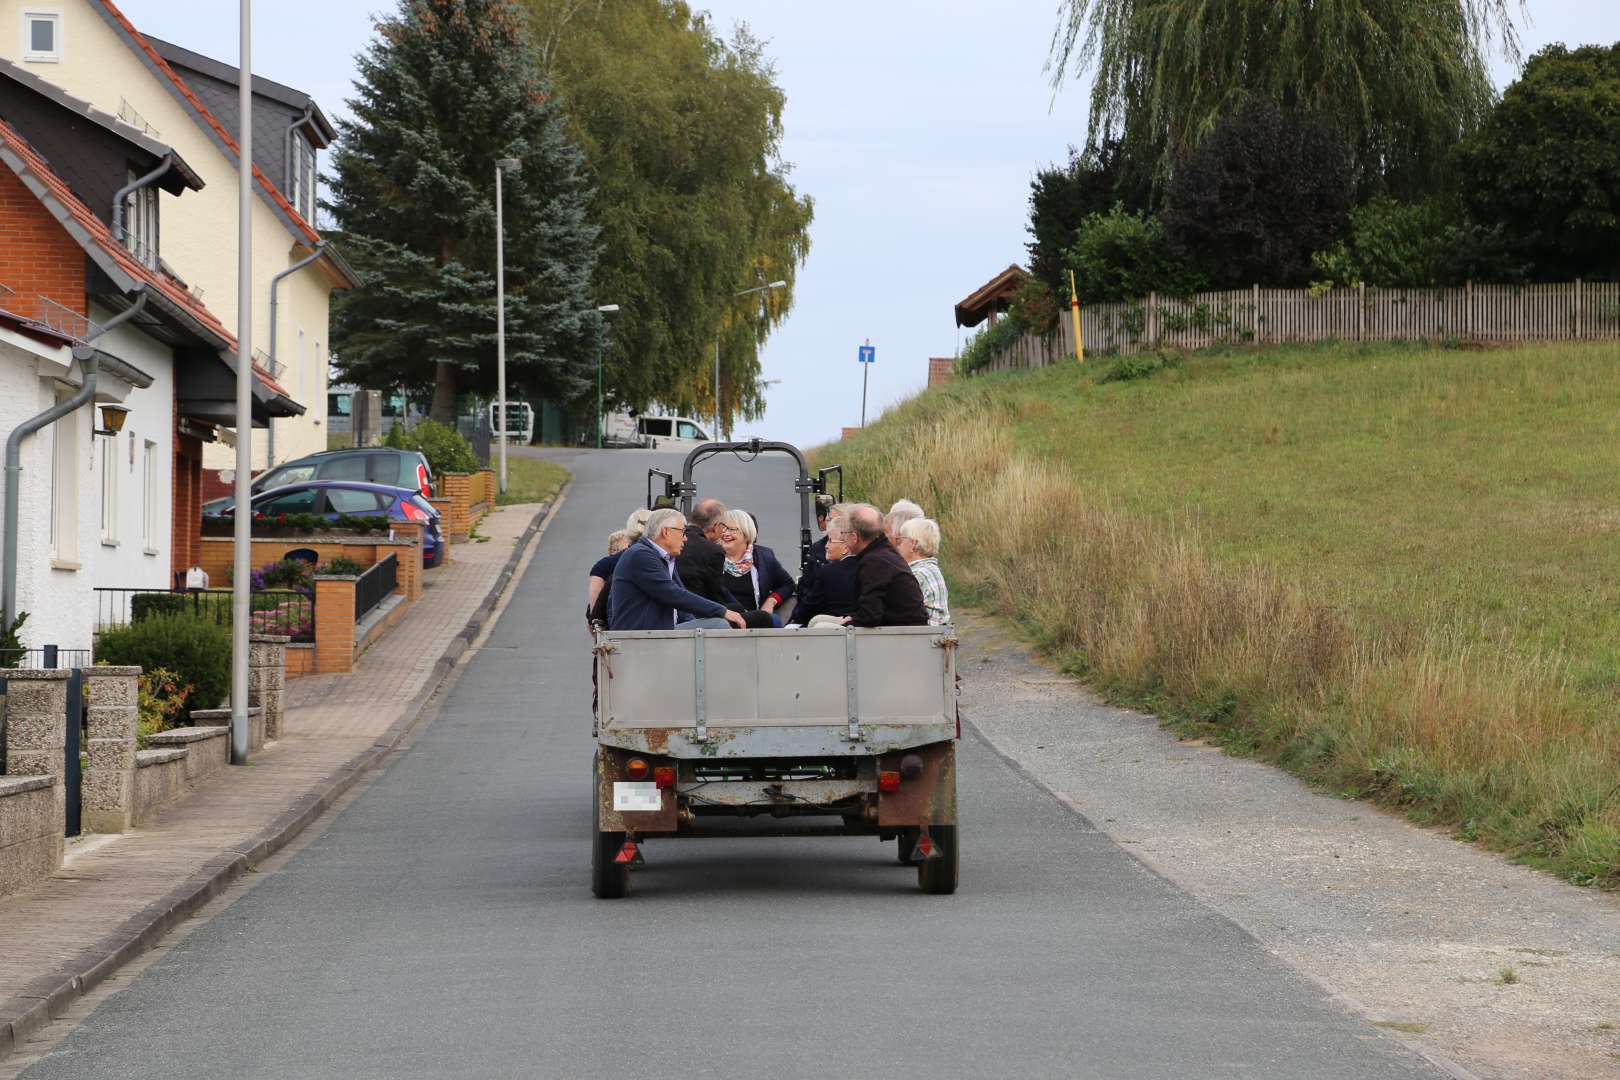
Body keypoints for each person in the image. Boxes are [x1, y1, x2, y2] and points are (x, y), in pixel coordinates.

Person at [609, 508, 746, 631]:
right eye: (683, 532)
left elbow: (679, 598)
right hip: (642, 636)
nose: (685, 538)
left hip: (659, 630)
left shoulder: (663, 557)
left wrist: (694, 623)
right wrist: (722, 611)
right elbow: (672, 594)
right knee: (719, 625)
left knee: (720, 622)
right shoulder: (641, 555)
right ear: (666, 532)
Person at [844, 504, 927, 627]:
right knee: (821, 621)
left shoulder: (874, 562)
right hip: (905, 628)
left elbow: (870, 617)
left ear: (854, 537)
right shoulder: (885, 552)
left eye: (844, 532)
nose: (843, 537)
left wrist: (848, 623)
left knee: (821, 626)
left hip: (901, 635)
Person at [715, 509, 796, 624]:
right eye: (723, 528)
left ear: (746, 534)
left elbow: (787, 584)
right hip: (722, 620)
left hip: (756, 620)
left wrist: (771, 601)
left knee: (773, 620)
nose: (726, 533)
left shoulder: (764, 557)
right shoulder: (710, 556)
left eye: (732, 529)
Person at [791, 509, 860, 627]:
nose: (826, 546)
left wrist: (795, 618)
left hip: (830, 630)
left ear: (845, 547)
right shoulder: (867, 566)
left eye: (830, 541)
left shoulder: (828, 572)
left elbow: (809, 607)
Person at [587, 509, 652, 628]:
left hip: (615, 632)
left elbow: (595, 613)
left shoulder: (603, 565)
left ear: (628, 533)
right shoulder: (664, 559)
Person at [676, 497, 729, 605]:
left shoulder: (674, 540)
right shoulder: (713, 551)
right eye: (724, 526)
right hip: (698, 611)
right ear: (716, 526)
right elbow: (716, 595)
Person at [897, 517, 950, 626]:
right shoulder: (931, 569)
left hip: (924, 635)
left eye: (900, 540)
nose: (897, 546)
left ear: (913, 544)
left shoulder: (916, 574)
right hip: (935, 633)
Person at [793, 494, 837, 614]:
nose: (831, 525)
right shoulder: (817, 550)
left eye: (836, 522)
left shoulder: (859, 558)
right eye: (829, 520)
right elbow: (804, 588)